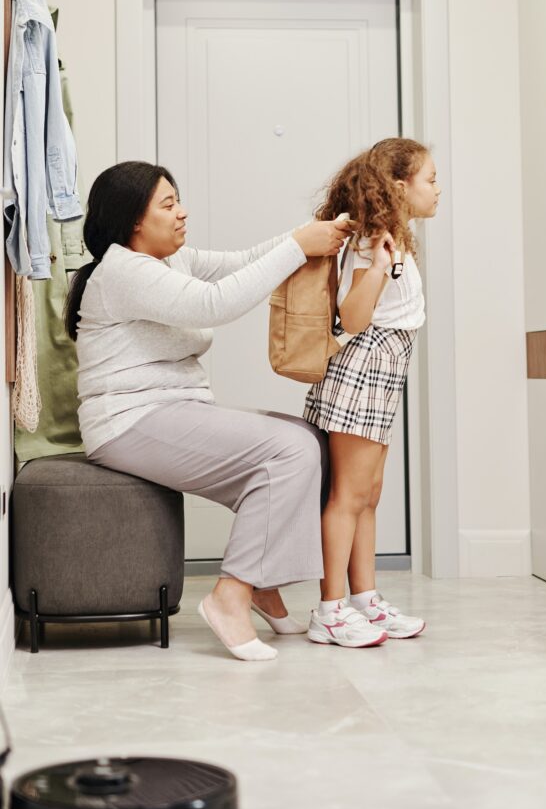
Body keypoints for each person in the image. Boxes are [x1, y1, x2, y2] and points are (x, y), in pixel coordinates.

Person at [64, 160, 350, 662]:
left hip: (171, 412)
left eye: (179, 201)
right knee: (288, 450)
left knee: (310, 442)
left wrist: (307, 236)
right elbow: (216, 304)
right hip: (129, 423)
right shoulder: (123, 271)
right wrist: (298, 247)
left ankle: (262, 582)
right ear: (134, 220)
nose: (182, 213)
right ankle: (230, 595)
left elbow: (243, 262)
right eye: (168, 204)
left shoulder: (170, 260)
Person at [303, 138, 440, 647]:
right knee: (347, 495)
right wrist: (380, 269)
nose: (437, 189)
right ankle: (330, 611)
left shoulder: (392, 235)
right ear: (400, 186)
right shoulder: (373, 240)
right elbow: (354, 318)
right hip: (364, 366)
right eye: (430, 179)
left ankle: (364, 601)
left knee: (369, 494)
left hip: (384, 366)